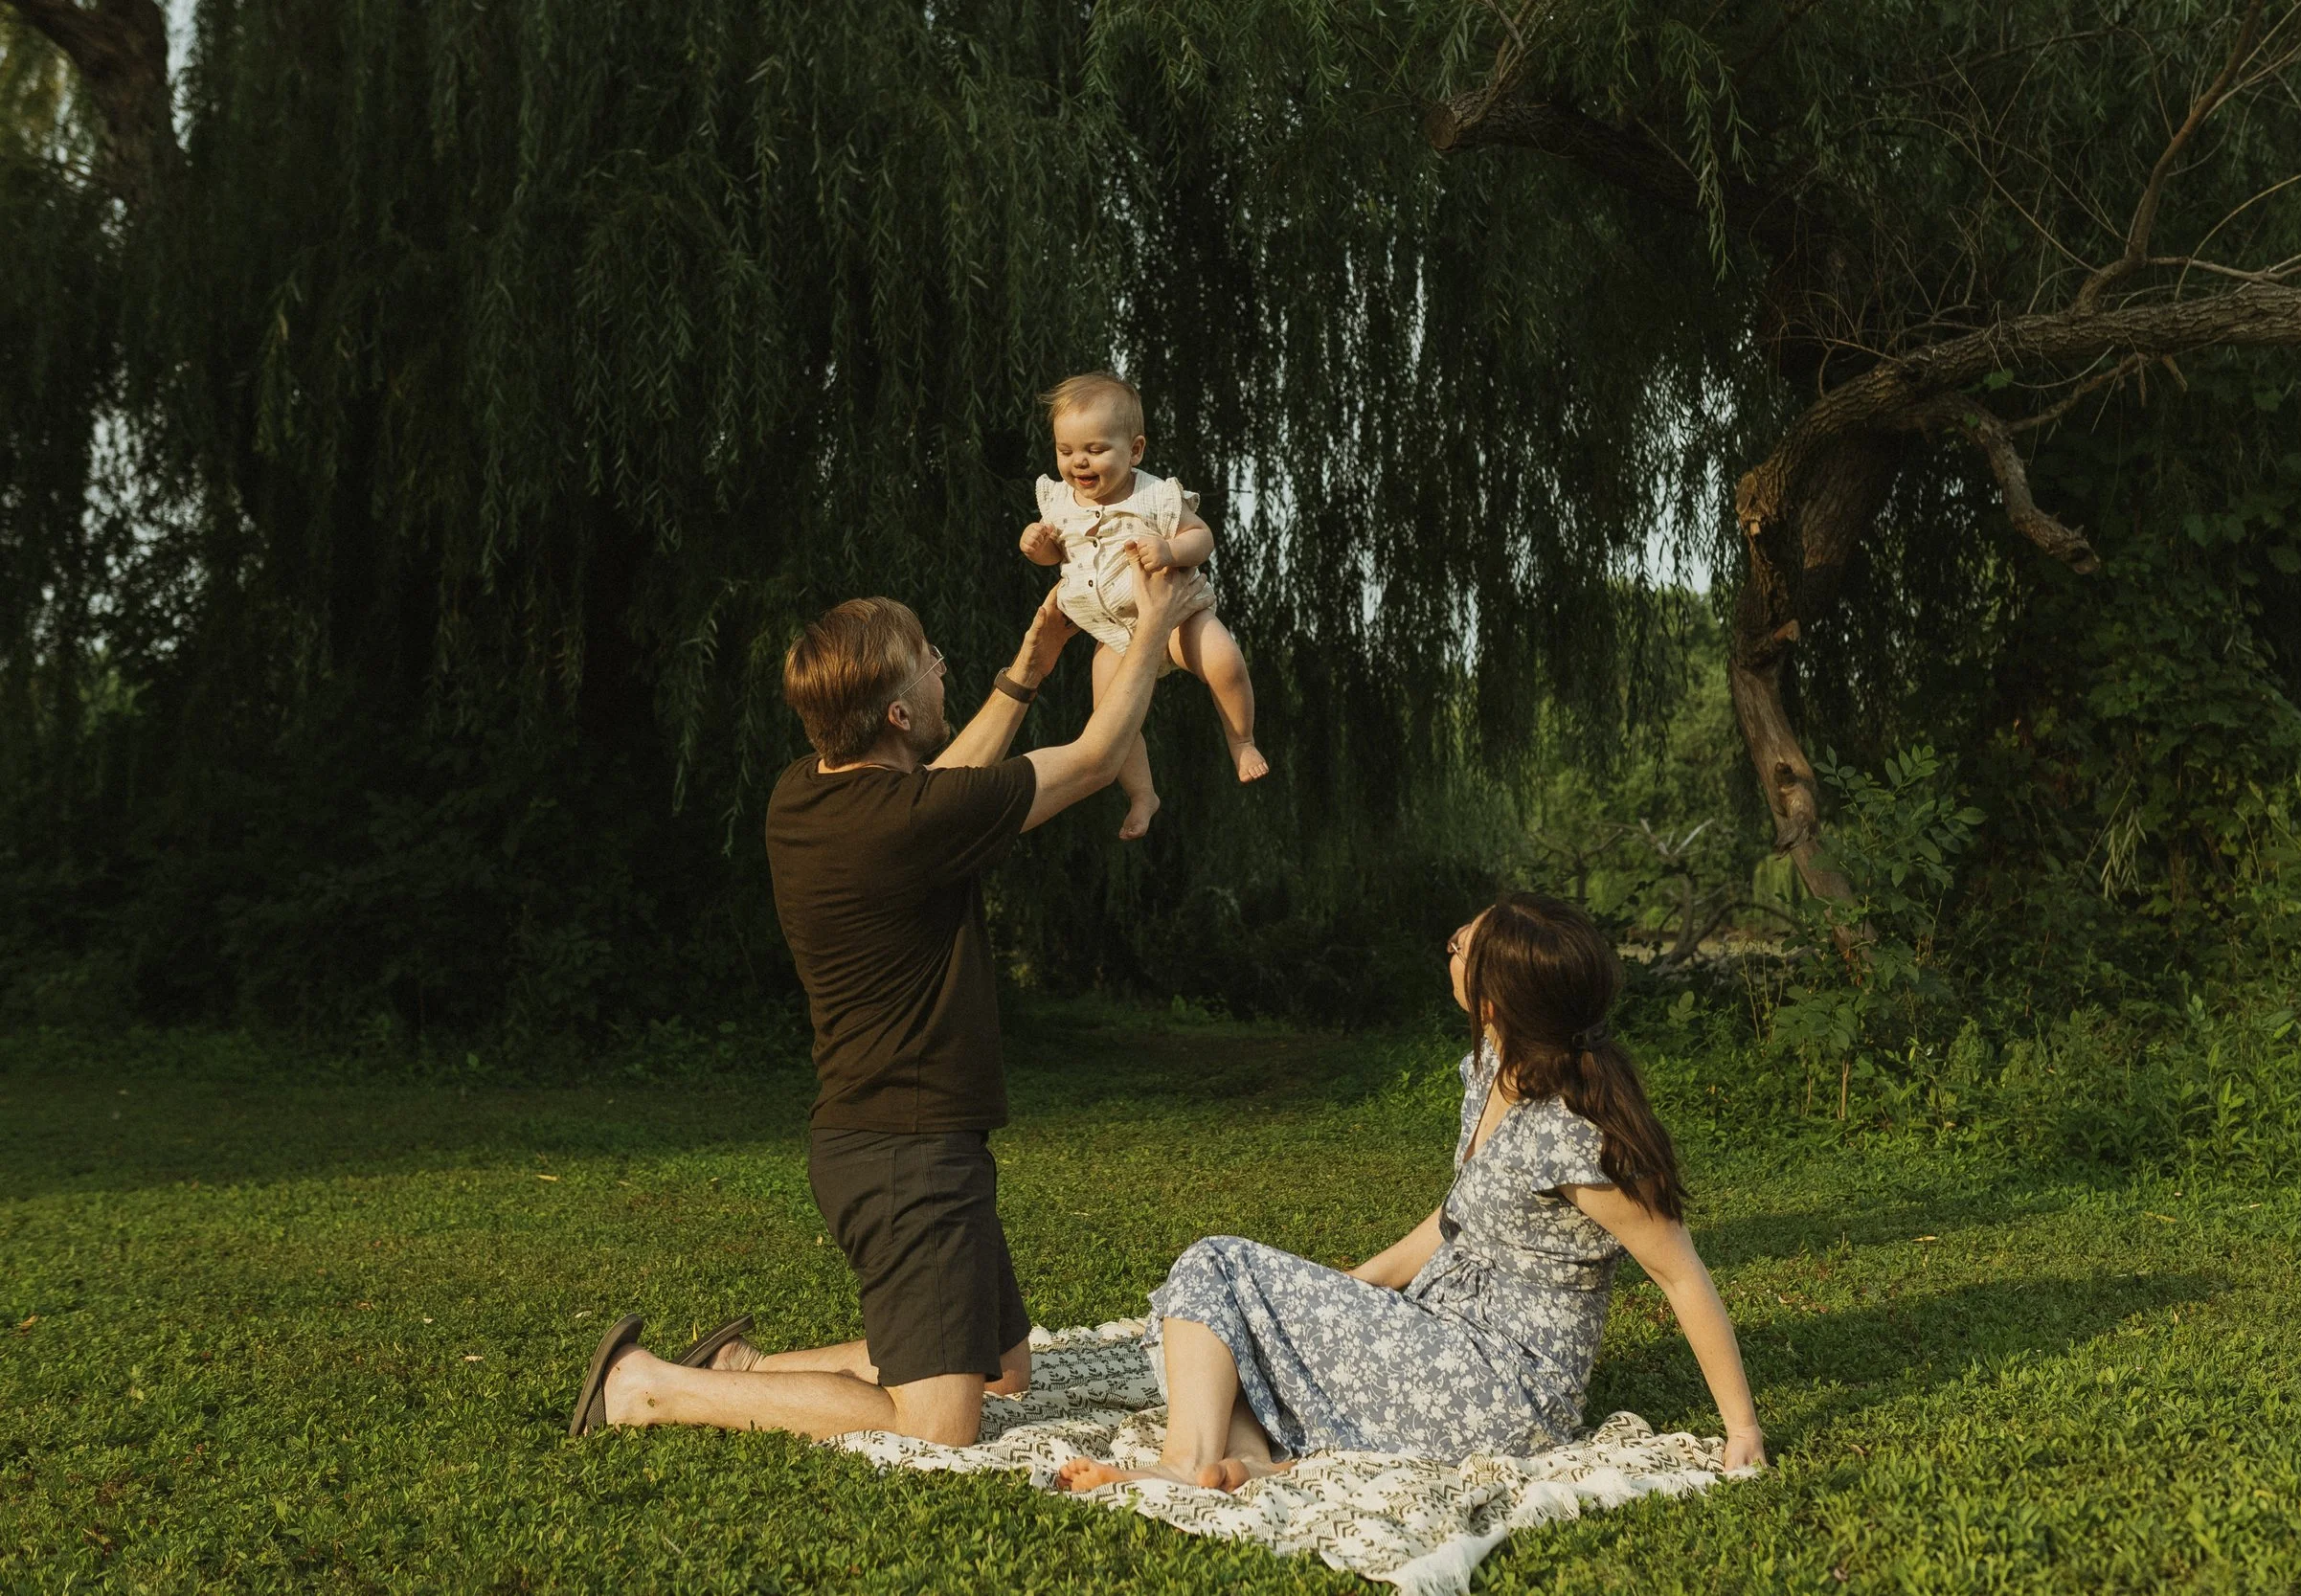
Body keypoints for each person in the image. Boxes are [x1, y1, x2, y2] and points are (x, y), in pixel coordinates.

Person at [567, 556, 1213, 1447]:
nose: (944, 665)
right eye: (930, 658)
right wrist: (1155, 622)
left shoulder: (802, 794)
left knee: (1005, 1369)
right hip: (906, 1155)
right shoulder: (909, 823)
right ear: (900, 714)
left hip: (885, 1137)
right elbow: (1100, 758)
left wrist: (1024, 671)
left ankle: (745, 1373)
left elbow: (932, 787)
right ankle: (648, 1386)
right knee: (941, 1423)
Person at [1060, 891, 1768, 1491]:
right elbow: (1455, 1220)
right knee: (1233, 1322)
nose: (1452, 943)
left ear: (1494, 1001)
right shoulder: (1496, 1065)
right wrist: (1352, 1285)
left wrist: (1741, 1427)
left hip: (1500, 1389)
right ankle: (1248, 1458)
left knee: (1214, 1265)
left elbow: (1678, 1271)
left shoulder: (1573, 1135)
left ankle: (1182, 1464)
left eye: (1466, 946)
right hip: (1445, 1329)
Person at [1019, 371, 1267, 840]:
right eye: (1066, 451)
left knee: (1225, 661)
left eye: (1095, 450)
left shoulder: (1155, 495)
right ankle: (1142, 794)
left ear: (1134, 450)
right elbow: (1058, 554)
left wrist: (1171, 551)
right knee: (1111, 719)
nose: (1079, 463)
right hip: (1113, 635)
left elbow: (1203, 537)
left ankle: (1242, 740)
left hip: (1176, 619)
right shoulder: (1059, 501)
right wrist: (1038, 545)